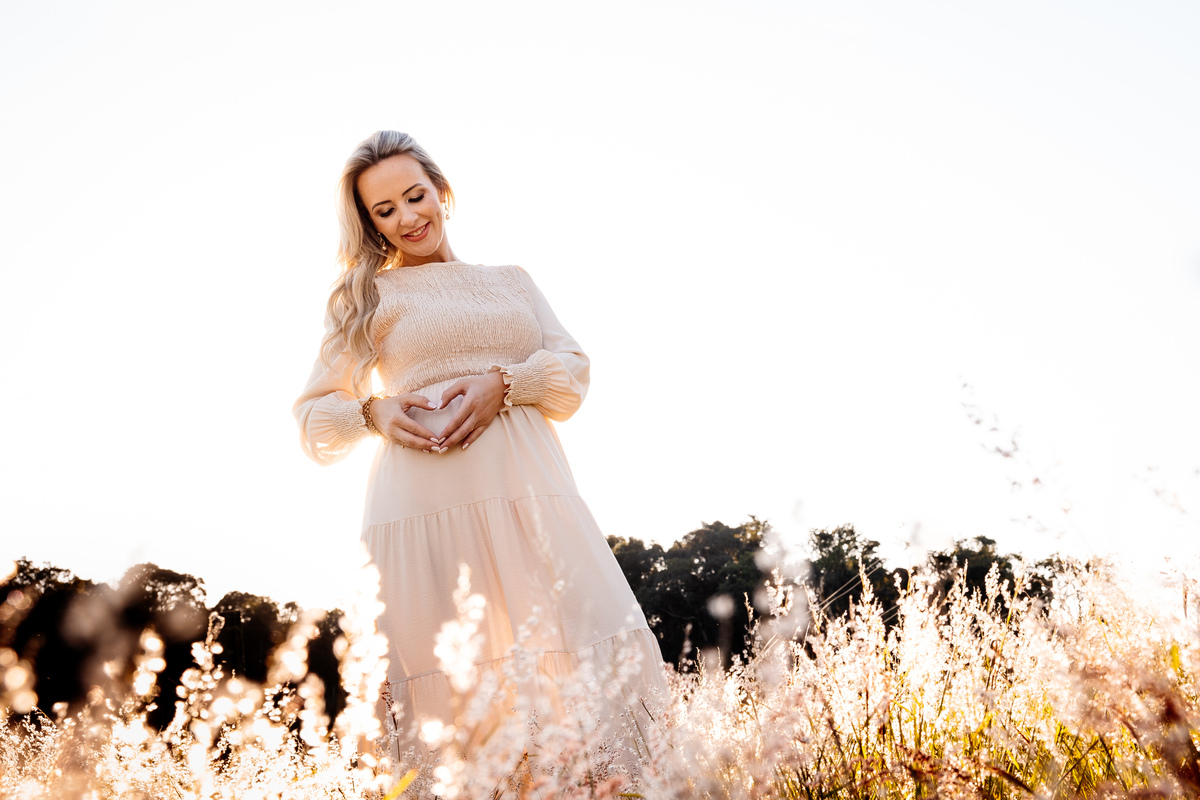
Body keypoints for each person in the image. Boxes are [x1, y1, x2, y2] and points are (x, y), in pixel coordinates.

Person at [293, 131, 666, 770]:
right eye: (385, 211)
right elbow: (314, 417)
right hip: (423, 511)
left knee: (587, 644)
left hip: (530, 496)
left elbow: (573, 371)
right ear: (369, 223)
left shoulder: (512, 280)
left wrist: (506, 382)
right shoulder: (366, 299)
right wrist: (373, 410)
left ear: (441, 190)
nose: (408, 218)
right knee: (455, 692)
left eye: (415, 196)